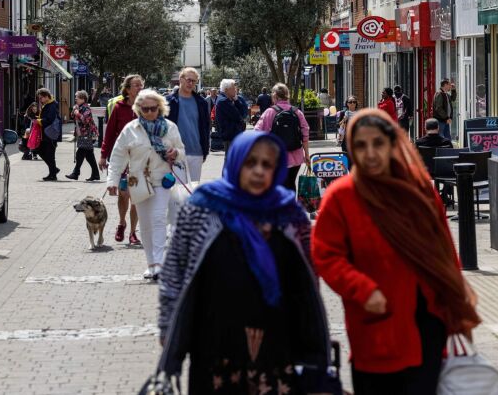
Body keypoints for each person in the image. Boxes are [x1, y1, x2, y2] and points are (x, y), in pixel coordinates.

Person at [311, 109, 480, 394]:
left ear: (392, 144)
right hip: (378, 320)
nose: (371, 153)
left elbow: (444, 250)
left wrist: (454, 302)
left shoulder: (419, 191)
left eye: (378, 143)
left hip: (428, 319)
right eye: (361, 146)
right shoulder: (342, 196)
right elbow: (326, 255)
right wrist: (362, 289)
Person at [158, 131, 336, 394]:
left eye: (267, 164)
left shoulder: (290, 214)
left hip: (278, 344)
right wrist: (167, 327)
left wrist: (314, 348)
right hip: (216, 344)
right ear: (236, 163)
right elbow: (175, 270)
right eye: (250, 162)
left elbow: (308, 284)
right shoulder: (202, 208)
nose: (258, 171)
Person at [106, 89, 186, 280]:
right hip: (138, 181)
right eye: (145, 109)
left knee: (158, 218)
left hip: (162, 180)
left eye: (153, 108)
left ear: (160, 108)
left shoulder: (170, 127)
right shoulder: (130, 129)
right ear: (138, 109)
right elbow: (118, 156)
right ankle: (150, 263)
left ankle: (159, 263)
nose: (150, 112)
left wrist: (176, 153)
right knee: (146, 222)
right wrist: (112, 181)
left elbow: (182, 150)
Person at [100, 75, 144, 245]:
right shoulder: (119, 107)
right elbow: (110, 133)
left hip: (140, 159)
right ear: (127, 89)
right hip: (122, 158)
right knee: (123, 195)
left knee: (137, 196)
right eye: (136, 85)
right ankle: (121, 223)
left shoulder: (147, 107)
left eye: (141, 85)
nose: (139, 88)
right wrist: (104, 155)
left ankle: (133, 232)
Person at [254, 83, 310, 191]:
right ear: (287, 95)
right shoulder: (297, 112)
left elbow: (257, 132)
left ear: (274, 96)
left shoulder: (269, 112)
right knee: (291, 183)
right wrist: (306, 154)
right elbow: (305, 133)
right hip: (296, 155)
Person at [166, 67, 210, 182]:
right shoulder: (168, 101)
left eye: (194, 81)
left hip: (197, 152)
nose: (191, 83)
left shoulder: (202, 103)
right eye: (188, 80)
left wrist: (205, 150)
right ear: (180, 79)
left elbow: (206, 127)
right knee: (178, 193)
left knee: (193, 192)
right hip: (175, 153)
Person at [66, 90, 100, 181]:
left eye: (77, 97)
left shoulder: (86, 108)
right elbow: (73, 117)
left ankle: (75, 173)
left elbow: (85, 120)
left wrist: (77, 113)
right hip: (82, 134)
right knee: (89, 155)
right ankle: (96, 174)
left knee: (80, 153)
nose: (76, 99)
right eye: (76, 97)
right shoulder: (79, 107)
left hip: (87, 134)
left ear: (83, 99)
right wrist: (74, 111)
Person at [215, 79, 248, 154]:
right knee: (231, 160)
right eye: (233, 88)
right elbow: (239, 116)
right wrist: (236, 101)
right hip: (230, 135)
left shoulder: (227, 100)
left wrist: (236, 100)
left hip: (232, 135)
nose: (235, 90)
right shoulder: (223, 101)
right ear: (226, 90)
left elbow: (242, 114)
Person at [36, 88, 62, 181]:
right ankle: (53, 170)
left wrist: (39, 121)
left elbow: (49, 119)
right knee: (39, 150)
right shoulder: (47, 104)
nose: (40, 100)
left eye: (41, 98)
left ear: (46, 96)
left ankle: (53, 174)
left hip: (51, 134)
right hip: (46, 133)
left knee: (50, 155)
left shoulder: (52, 105)